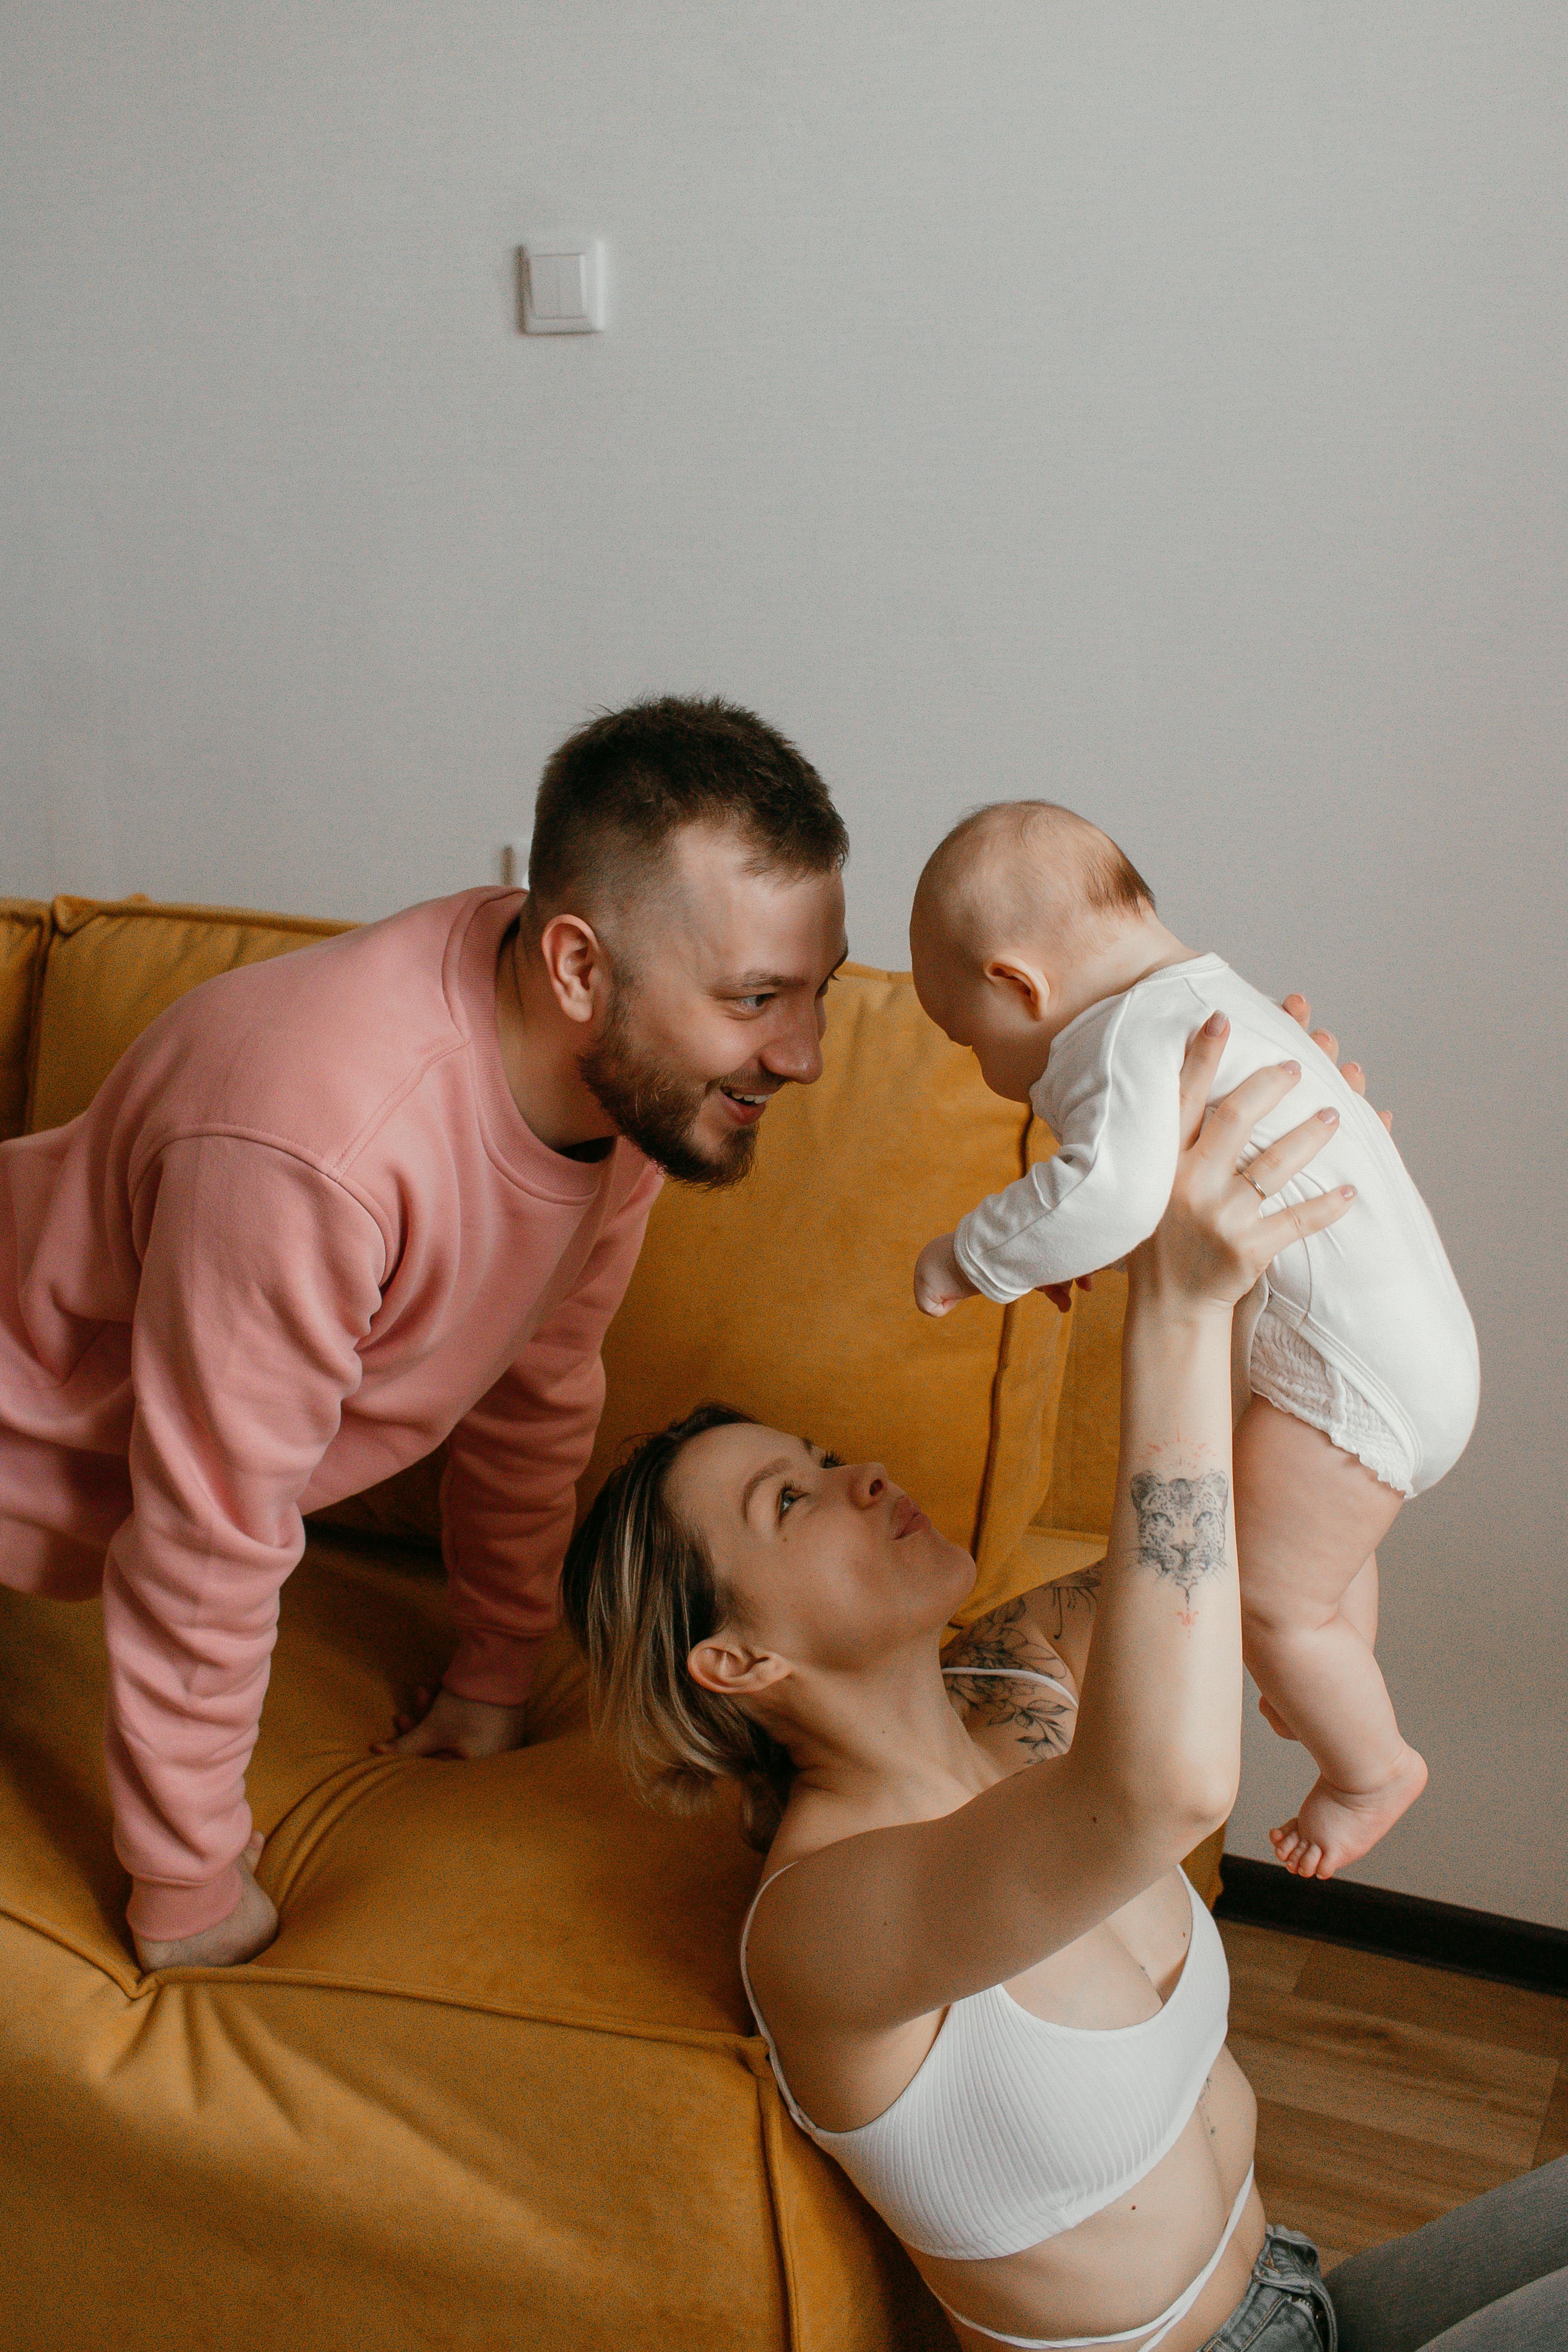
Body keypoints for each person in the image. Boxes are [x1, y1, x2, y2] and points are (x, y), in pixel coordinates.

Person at [563, 1014, 1564, 2351]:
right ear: (738, 1661)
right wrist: (1181, 1304)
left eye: (822, 1452)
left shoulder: (1016, 1667)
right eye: (789, 1500)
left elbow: (1271, 1574)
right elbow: (1164, 1788)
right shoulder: (820, 1925)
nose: (858, 1474)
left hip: (1300, 2293)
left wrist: (1300, 1255)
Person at [0, 694, 849, 1973]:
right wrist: (187, 1887)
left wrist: (498, 1663)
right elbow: (204, 1545)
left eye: (817, 992)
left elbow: (540, 1380)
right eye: (757, 998)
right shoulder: (315, 1149)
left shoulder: (624, 1085)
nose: (806, 1054)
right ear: (575, 966)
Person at [906, 801, 1479, 1883]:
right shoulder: (1214, 997)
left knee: (1267, 1598)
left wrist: (970, 1256)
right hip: (1415, 1351)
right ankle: (1327, 1668)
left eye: (968, 1040)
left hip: (1358, 1387)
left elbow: (1111, 1194)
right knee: (1308, 1578)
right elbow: (1150, 1197)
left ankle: (1370, 1767)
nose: (986, 1069)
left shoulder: (1112, 1036)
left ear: (1020, 988)